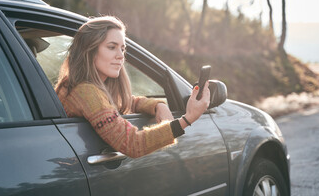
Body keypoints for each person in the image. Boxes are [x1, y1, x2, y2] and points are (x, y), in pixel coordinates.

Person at [55, 16, 210, 158]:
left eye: (122, 48)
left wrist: (158, 105)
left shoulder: (81, 87)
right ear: (89, 50)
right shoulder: (86, 93)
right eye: (111, 47)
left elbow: (128, 102)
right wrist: (188, 118)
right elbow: (132, 144)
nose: (121, 56)